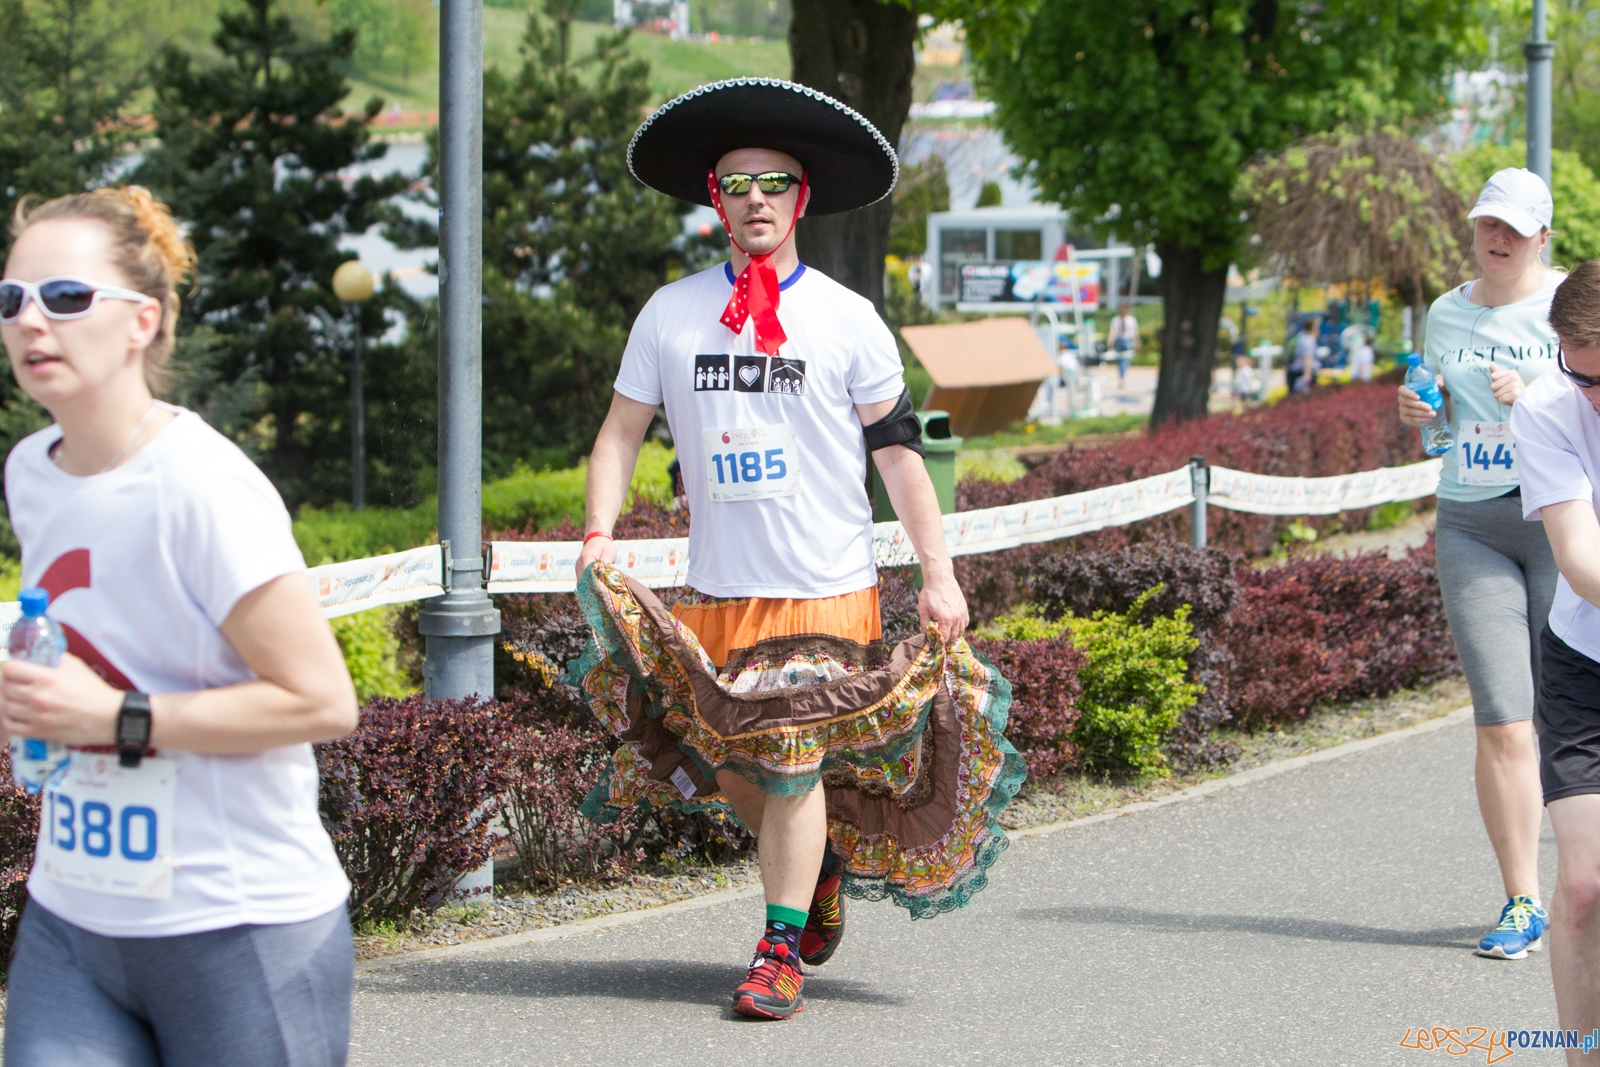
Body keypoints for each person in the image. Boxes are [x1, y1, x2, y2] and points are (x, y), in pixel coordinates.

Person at [572, 78, 1022, 1021]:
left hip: (826, 585)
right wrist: (599, 533)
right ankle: (814, 876)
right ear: (715, 199)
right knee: (729, 764)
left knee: (789, 757)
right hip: (717, 589)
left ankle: (777, 950)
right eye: (738, 184)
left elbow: (899, 456)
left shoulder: (848, 317)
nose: (757, 199)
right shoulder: (669, 313)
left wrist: (938, 574)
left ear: (802, 197)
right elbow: (619, 433)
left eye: (775, 181)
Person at [0, 187, 359, 1064]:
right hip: (73, 920)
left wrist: (114, 717)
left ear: (143, 321)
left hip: (240, 927)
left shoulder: (202, 484)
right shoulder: (30, 470)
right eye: (11, 298)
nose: (31, 320)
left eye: (66, 296)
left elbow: (322, 701)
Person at [1396, 166, 1562, 961]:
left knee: (1572, 713)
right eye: (1488, 224)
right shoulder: (1446, 313)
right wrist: (1421, 415)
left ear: (1543, 238)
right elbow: (1443, 433)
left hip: (1563, 521)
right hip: (1472, 522)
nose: (1497, 239)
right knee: (1502, 715)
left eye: (1514, 229)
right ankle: (1524, 899)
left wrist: (1535, 394)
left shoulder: (1575, 305)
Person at [1511, 261, 1600, 1066]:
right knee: (1582, 888)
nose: (1594, 397)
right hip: (1585, 660)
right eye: (1584, 376)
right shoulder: (1545, 405)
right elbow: (1578, 557)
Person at [1107, 302, 1138, 386]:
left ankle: (1122, 376)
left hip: (1127, 340)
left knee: (1126, 359)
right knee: (1120, 360)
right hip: (1119, 340)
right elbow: (1113, 332)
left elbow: (1134, 333)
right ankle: (1121, 377)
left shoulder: (1131, 320)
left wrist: (1136, 343)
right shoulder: (1115, 320)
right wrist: (1110, 342)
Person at [1291, 317, 1319, 393]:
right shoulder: (1308, 340)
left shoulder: (1300, 337)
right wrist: (1307, 375)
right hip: (1302, 372)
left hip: (1296, 371)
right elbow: (1306, 357)